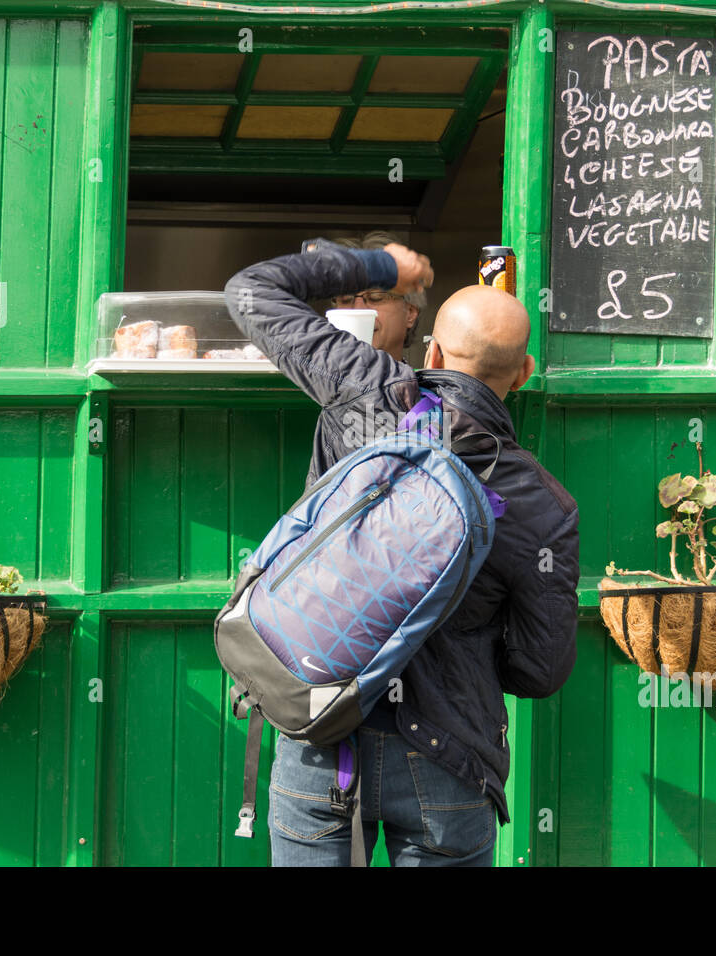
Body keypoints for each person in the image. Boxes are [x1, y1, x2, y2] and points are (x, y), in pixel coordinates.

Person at [225, 238, 579, 867]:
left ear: (433, 351)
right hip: (449, 758)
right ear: (522, 375)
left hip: (319, 729)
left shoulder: (363, 386)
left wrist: (383, 266)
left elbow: (250, 290)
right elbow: (538, 672)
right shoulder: (545, 506)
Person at [328, 232, 425, 362]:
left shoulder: (421, 383)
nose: (358, 310)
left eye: (376, 297)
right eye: (345, 299)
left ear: (410, 313)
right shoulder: (301, 380)